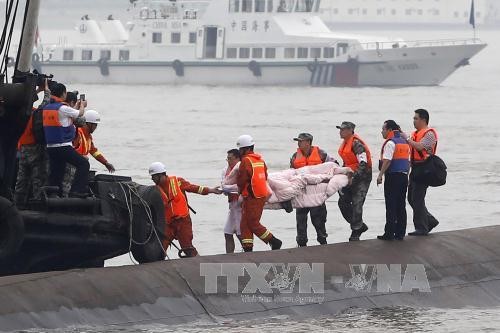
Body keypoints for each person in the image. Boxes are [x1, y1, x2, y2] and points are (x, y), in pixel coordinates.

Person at [149, 161, 222, 257]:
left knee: (187, 248)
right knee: (160, 249)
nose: (152, 179)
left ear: (161, 175)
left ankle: (199, 264)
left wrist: (210, 190)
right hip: (168, 224)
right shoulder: (155, 190)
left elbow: (193, 188)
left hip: (183, 221)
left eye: (154, 177)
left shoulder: (177, 181)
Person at [236, 134, 282, 252]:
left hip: (252, 196)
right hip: (260, 195)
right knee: (244, 223)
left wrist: (240, 192)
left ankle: (273, 241)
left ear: (245, 149)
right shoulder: (260, 160)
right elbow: (265, 176)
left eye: (240, 149)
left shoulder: (246, 161)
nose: (239, 152)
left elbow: (241, 180)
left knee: (253, 223)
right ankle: (247, 248)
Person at [43, 83, 88, 197]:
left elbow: (66, 116)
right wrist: (82, 105)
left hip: (51, 147)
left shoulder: (47, 108)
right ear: (63, 93)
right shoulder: (63, 108)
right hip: (63, 146)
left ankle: (53, 194)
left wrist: (75, 107)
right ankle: (76, 191)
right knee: (83, 164)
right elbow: (80, 114)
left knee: (57, 171)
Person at [401, 109, 439, 236]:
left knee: (417, 198)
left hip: (425, 169)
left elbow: (419, 147)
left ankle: (421, 227)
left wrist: (406, 138)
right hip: (416, 169)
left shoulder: (429, 134)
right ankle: (430, 220)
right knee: (411, 198)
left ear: (423, 120)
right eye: (413, 118)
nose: (414, 121)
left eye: (416, 118)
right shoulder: (415, 133)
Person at [290, 132, 332, 247]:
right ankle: (301, 244)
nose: (298, 143)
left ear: (308, 142)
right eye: (298, 141)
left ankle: (323, 242)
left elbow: (334, 166)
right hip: (301, 194)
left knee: (319, 220)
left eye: (300, 141)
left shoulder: (322, 154)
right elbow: (291, 175)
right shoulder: (294, 156)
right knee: (301, 220)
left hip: (317, 194)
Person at [62, 109, 115, 196]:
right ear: (89, 124)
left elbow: (94, 151)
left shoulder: (88, 137)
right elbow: (70, 148)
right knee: (67, 188)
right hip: (72, 165)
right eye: (95, 125)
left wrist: (105, 163)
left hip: (80, 166)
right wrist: (81, 156)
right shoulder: (78, 133)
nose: (96, 127)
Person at [14, 80, 51, 206]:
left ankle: (18, 204)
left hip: (22, 148)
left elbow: (26, 102)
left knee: (21, 179)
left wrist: (38, 90)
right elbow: (45, 104)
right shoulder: (35, 114)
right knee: (38, 179)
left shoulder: (18, 113)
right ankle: (37, 205)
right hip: (34, 148)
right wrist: (46, 90)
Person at [336, 121, 372, 241]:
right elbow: (347, 162)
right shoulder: (345, 143)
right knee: (342, 202)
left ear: (350, 131)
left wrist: (354, 177)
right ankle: (359, 225)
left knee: (357, 202)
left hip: (363, 176)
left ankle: (356, 230)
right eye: (340, 129)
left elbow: (363, 163)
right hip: (350, 175)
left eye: (342, 129)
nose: (340, 131)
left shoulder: (356, 144)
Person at [376, 120, 410, 241]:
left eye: (383, 129)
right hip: (403, 176)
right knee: (401, 205)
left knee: (391, 205)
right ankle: (400, 233)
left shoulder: (391, 143)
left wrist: (380, 175)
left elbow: (387, 160)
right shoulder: (404, 142)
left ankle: (389, 233)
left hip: (392, 177)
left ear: (389, 130)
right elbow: (408, 162)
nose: (382, 131)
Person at [220, 149, 242, 253]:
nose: (228, 161)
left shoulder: (242, 168)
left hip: (241, 204)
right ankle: (229, 257)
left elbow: (241, 187)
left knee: (240, 233)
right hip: (232, 205)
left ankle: (248, 253)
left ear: (237, 158)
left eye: (230, 158)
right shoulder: (225, 171)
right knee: (227, 233)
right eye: (227, 158)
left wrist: (227, 188)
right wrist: (225, 188)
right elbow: (223, 187)